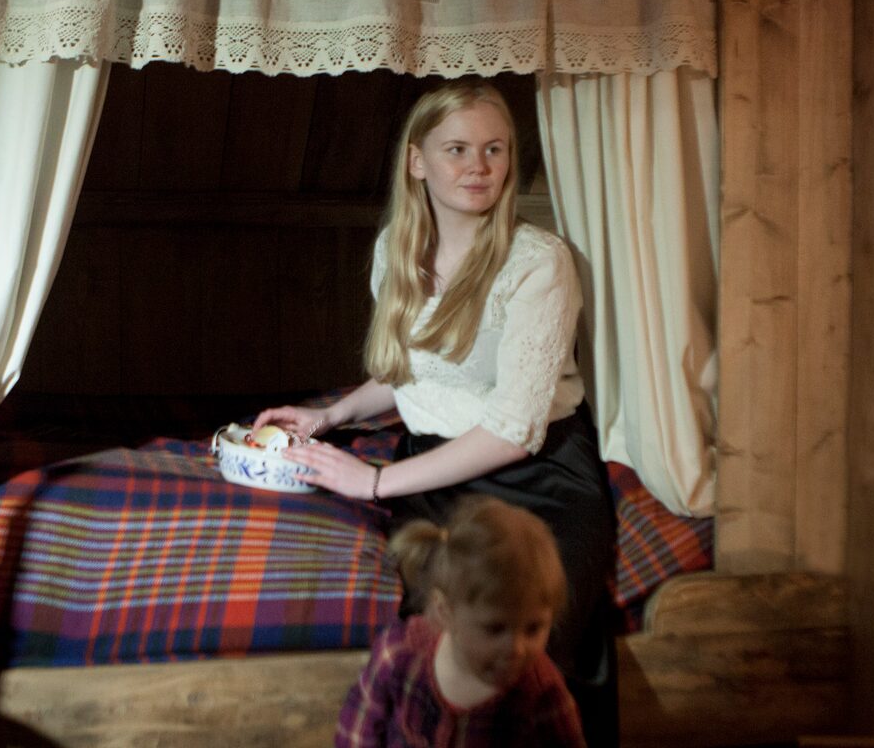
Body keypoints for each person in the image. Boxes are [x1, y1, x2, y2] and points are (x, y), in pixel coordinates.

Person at [257, 80, 618, 743]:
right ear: (417, 160)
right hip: (435, 467)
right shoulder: (398, 246)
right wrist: (329, 418)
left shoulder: (538, 261)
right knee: (436, 636)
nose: (478, 167)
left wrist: (370, 482)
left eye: (493, 149)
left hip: (542, 476)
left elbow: (515, 428)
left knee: (527, 637)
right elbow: (413, 375)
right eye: (457, 149)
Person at [335, 497, 586, 747]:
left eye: (533, 628)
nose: (516, 648)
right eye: (495, 628)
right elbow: (359, 727)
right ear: (445, 611)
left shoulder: (542, 693)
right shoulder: (398, 652)